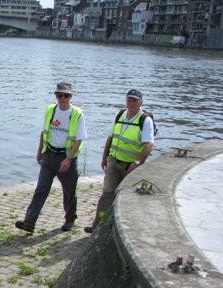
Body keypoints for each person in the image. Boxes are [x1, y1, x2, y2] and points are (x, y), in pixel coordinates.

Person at [16, 81, 87, 234]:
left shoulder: (76, 114)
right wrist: (40, 151)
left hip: (66, 157)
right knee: (41, 188)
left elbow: (79, 139)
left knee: (69, 191)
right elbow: (44, 132)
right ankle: (29, 222)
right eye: (60, 95)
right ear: (56, 95)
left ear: (70, 96)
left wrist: (69, 159)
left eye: (66, 96)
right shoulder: (50, 110)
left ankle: (70, 219)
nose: (63, 98)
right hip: (49, 156)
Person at [84, 89, 154, 233]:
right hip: (114, 161)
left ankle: (127, 229)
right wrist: (104, 158)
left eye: (134, 100)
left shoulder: (145, 120)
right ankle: (97, 226)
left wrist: (137, 163)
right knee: (107, 193)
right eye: (129, 100)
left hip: (131, 166)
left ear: (141, 102)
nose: (131, 103)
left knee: (128, 197)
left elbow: (149, 145)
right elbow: (110, 137)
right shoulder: (120, 115)